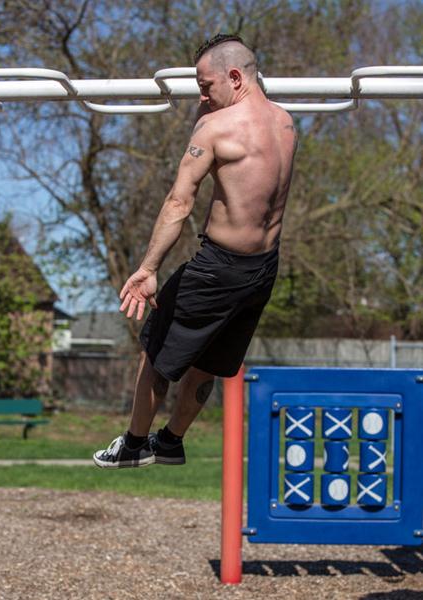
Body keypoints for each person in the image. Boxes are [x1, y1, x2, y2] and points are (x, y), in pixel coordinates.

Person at [93, 33, 297, 469]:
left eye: (206, 86)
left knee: (156, 349)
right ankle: (171, 441)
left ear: (235, 77)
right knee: (208, 362)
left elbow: (179, 202)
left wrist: (148, 268)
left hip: (218, 267)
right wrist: (210, 112)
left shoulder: (216, 127)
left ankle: (132, 445)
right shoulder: (285, 123)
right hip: (262, 270)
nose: (202, 95)